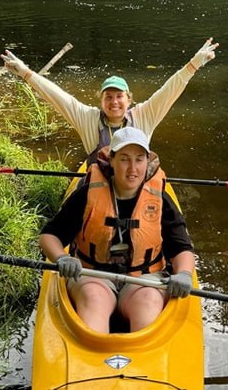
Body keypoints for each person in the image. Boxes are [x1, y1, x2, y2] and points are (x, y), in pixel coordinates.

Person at [38, 127, 196, 333]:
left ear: (147, 162)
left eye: (139, 159)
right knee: (94, 300)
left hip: (143, 279)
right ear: (111, 160)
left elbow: (182, 248)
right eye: (124, 159)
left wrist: (184, 274)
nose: (132, 168)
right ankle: (92, 355)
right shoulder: (87, 194)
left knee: (148, 303)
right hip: (92, 274)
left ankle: (143, 359)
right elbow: (49, 236)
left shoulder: (159, 199)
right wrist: (61, 258)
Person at [1, 38, 218, 163]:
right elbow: (58, 96)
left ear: (129, 99)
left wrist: (194, 64)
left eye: (119, 96)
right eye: (108, 97)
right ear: (101, 101)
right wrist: (26, 73)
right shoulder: (88, 118)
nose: (114, 102)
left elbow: (170, 89)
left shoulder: (145, 115)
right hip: (99, 188)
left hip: (136, 186)